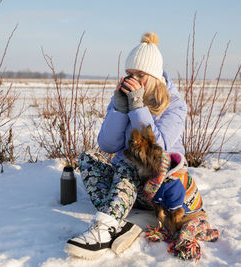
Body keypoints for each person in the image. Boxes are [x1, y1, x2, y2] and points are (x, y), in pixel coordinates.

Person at [63, 32, 187, 260]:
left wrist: (138, 106)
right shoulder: (122, 99)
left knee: (130, 161)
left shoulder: (175, 106)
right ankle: (117, 224)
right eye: (130, 74)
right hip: (125, 187)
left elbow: (156, 149)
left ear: (155, 77)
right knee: (89, 158)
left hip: (156, 187)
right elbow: (107, 145)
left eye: (140, 75)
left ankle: (104, 226)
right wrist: (120, 108)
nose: (133, 79)